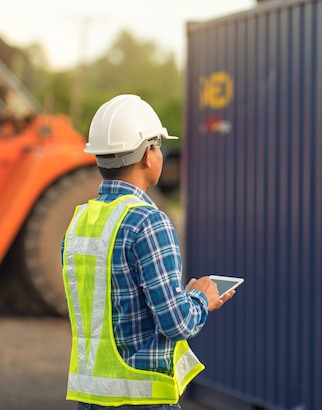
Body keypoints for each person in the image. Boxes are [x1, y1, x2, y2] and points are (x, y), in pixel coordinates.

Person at [61, 94, 234, 409]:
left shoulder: (79, 222)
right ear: (147, 155)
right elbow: (177, 323)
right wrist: (200, 298)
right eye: (158, 145)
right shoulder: (148, 222)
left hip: (90, 399)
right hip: (142, 400)